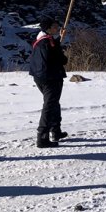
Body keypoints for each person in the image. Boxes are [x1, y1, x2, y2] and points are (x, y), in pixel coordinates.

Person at [29, 17, 68, 148]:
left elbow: (51, 49)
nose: (58, 28)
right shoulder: (48, 42)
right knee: (49, 105)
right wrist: (59, 48)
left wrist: (58, 40)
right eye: (55, 26)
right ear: (48, 28)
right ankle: (42, 137)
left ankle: (55, 131)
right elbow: (62, 60)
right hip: (51, 78)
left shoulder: (40, 39)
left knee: (53, 103)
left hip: (39, 77)